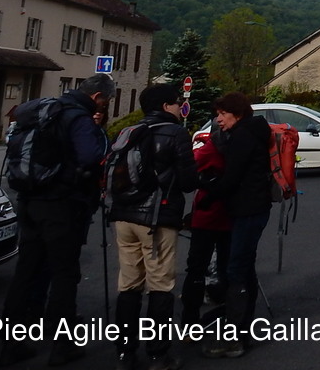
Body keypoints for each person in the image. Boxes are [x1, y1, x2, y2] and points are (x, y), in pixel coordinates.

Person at [0, 73, 113, 368]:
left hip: (29, 200)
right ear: (97, 97)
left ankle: (11, 344)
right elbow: (91, 157)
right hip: (61, 204)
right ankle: (62, 345)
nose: (104, 105)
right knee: (64, 273)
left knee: (25, 271)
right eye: (106, 100)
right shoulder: (78, 118)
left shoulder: (46, 110)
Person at [108, 83, 199, 370]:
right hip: (157, 219)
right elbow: (188, 181)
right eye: (176, 103)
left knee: (129, 285)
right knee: (160, 285)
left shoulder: (128, 132)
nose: (180, 107)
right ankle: (158, 355)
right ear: (165, 106)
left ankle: (125, 353)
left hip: (124, 216)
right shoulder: (176, 133)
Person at [200, 92, 272, 359]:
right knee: (245, 267)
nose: (218, 119)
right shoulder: (253, 131)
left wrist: (208, 194)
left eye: (222, 114)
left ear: (237, 114)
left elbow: (232, 178)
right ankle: (241, 329)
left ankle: (236, 337)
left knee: (237, 269)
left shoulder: (243, 136)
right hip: (254, 208)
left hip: (247, 209)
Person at [182, 123, 232, 325]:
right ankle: (227, 312)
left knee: (196, 268)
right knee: (227, 266)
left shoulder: (211, 147)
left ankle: (190, 321)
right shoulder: (241, 144)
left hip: (206, 214)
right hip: (231, 214)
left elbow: (190, 168)